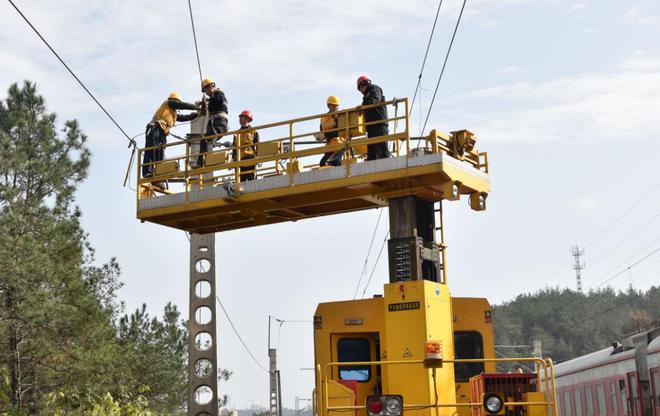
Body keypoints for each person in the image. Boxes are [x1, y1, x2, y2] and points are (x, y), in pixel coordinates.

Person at [143, 92, 198, 178]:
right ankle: (147, 171)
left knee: (160, 153)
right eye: (177, 103)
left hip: (161, 133)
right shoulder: (168, 103)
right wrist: (196, 107)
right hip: (155, 129)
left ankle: (157, 173)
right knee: (151, 150)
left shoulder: (173, 114)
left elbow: (184, 117)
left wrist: (197, 114)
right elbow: (182, 105)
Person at [357, 75, 390, 160]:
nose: (360, 91)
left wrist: (363, 106)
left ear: (362, 84)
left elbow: (375, 99)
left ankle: (386, 164)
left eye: (359, 89)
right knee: (372, 152)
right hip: (371, 126)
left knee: (382, 149)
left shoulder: (374, 89)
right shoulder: (366, 96)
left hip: (379, 124)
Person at [199, 78, 229, 166]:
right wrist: (203, 104)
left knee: (206, 141)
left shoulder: (218, 93)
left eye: (205, 90)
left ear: (210, 87)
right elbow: (207, 111)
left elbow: (218, 100)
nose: (206, 93)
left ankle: (204, 162)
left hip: (219, 123)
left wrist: (208, 100)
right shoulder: (214, 97)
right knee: (207, 141)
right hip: (216, 123)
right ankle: (205, 162)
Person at [316, 95, 344, 167]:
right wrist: (319, 137)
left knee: (335, 162)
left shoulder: (340, 117)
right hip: (329, 145)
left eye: (337, 105)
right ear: (328, 106)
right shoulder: (323, 118)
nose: (335, 107)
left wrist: (325, 135)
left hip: (339, 144)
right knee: (322, 163)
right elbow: (322, 131)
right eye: (333, 105)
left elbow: (339, 131)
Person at [232, 110, 259, 182]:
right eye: (240, 117)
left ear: (248, 119)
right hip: (239, 159)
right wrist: (233, 159)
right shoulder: (236, 133)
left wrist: (258, 157)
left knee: (251, 179)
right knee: (240, 181)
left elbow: (257, 144)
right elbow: (234, 147)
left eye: (242, 117)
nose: (240, 119)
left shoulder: (253, 131)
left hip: (249, 157)